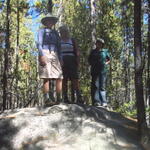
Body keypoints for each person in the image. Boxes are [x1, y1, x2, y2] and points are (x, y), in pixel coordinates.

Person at [37, 14, 63, 106]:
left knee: (59, 76)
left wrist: (61, 58)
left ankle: (59, 98)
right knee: (46, 76)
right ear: (45, 22)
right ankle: (47, 98)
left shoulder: (56, 33)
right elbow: (39, 44)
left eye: (51, 21)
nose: (50, 22)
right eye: (48, 20)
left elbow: (59, 46)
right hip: (45, 52)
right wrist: (41, 55)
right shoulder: (41, 31)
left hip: (55, 54)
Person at [59, 25, 82, 104]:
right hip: (62, 61)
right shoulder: (59, 41)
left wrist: (78, 62)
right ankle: (65, 97)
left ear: (67, 32)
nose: (63, 33)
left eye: (65, 31)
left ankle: (79, 97)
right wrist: (59, 61)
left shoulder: (72, 40)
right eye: (62, 31)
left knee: (75, 79)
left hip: (72, 60)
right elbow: (57, 52)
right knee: (64, 79)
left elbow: (77, 51)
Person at [88, 38, 110, 107]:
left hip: (103, 71)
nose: (99, 44)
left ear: (102, 44)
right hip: (94, 71)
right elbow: (89, 60)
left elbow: (108, 59)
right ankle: (96, 101)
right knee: (95, 86)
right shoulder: (93, 51)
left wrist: (106, 63)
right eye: (97, 43)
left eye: (100, 43)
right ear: (96, 44)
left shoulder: (105, 51)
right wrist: (93, 64)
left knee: (102, 86)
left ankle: (104, 101)